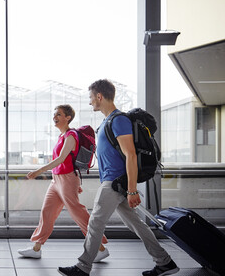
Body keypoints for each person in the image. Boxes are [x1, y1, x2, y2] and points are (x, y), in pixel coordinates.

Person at [57, 79, 179, 276]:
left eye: (91, 98)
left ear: (99, 96)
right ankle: (165, 262)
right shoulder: (107, 121)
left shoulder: (119, 120)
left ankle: (83, 266)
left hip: (115, 183)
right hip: (115, 182)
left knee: (95, 222)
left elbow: (130, 154)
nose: (90, 102)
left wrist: (132, 190)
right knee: (136, 225)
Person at [18, 104, 109, 262]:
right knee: (47, 213)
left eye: (58, 114)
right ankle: (36, 248)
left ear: (68, 118)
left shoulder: (71, 135)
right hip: (57, 180)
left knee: (78, 213)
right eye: (54, 114)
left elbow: (60, 159)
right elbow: (65, 161)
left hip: (66, 179)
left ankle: (100, 248)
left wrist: (39, 171)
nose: (55, 117)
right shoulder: (62, 136)